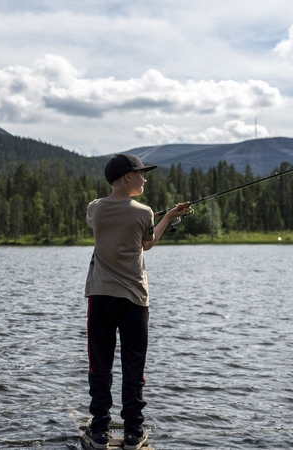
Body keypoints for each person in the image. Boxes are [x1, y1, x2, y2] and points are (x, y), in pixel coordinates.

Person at [82, 153, 189, 450]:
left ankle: (99, 432)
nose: (144, 179)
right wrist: (167, 216)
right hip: (135, 301)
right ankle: (132, 434)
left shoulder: (95, 210)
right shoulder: (145, 212)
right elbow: (147, 243)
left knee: (100, 366)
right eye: (141, 174)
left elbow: (111, 222)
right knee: (133, 366)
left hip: (101, 297)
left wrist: (162, 215)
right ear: (127, 177)